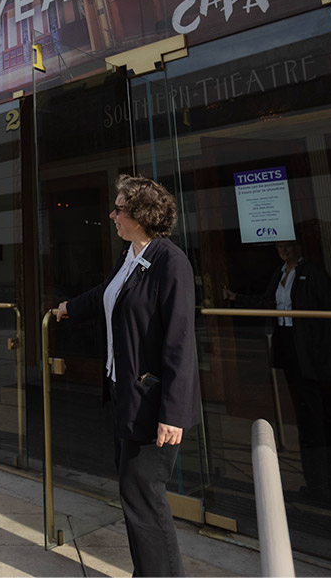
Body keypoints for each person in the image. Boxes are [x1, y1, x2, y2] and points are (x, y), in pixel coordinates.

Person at [53, 175, 200, 577]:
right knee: (134, 494)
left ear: (140, 215)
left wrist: (173, 414)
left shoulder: (172, 263)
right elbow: (107, 292)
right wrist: (69, 308)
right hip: (125, 395)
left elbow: (180, 344)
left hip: (153, 405)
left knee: (144, 496)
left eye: (119, 209)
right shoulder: (130, 256)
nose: (112, 215)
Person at [225, 240, 331, 512]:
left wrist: (328, 354)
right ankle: (316, 484)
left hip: (316, 356)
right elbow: (268, 301)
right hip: (293, 353)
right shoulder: (280, 273)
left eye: (287, 245)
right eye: (278, 246)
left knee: (327, 422)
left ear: (297, 246)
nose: (282, 250)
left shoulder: (313, 274)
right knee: (307, 420)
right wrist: (237, 299)